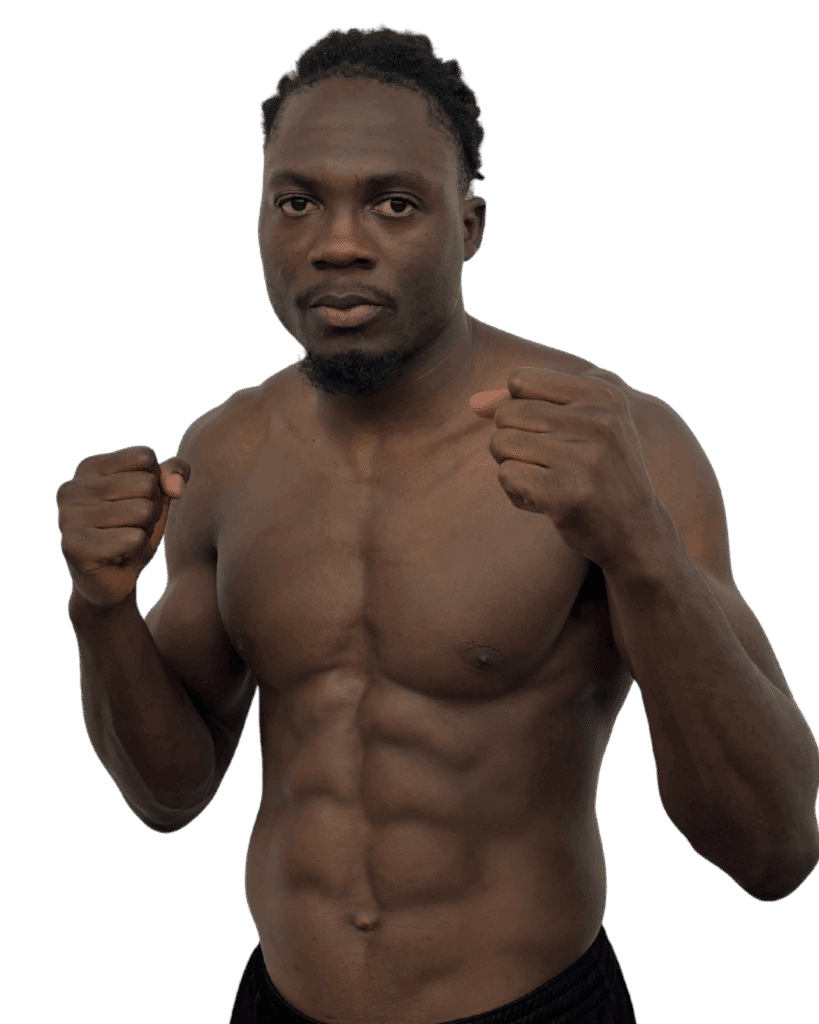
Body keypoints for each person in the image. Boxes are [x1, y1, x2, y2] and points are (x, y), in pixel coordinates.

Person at [56, 24, 819, 1024]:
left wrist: (642, 552)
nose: (337, 242)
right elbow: (169, 795)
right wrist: (100, 609)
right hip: (279, 1004)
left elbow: (774, 849)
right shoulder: (225, 452)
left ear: (469, 225)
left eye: (394, 202)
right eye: (297, 201)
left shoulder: (616, 442)